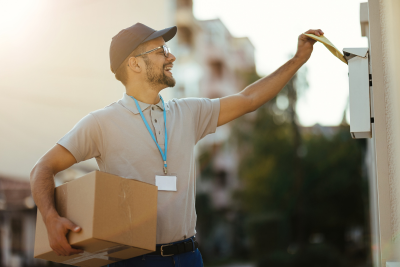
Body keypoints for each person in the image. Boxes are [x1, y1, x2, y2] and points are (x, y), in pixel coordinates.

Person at [30, 22, 324, 266]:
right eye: (160, 51)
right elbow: (42, 168)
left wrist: (298, 59)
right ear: (134, 63)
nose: (170, 57)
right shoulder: (101, 123)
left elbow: (248, 99)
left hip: (189, 257)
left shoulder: (189, 112)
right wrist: (51, 218)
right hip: (134, 261)